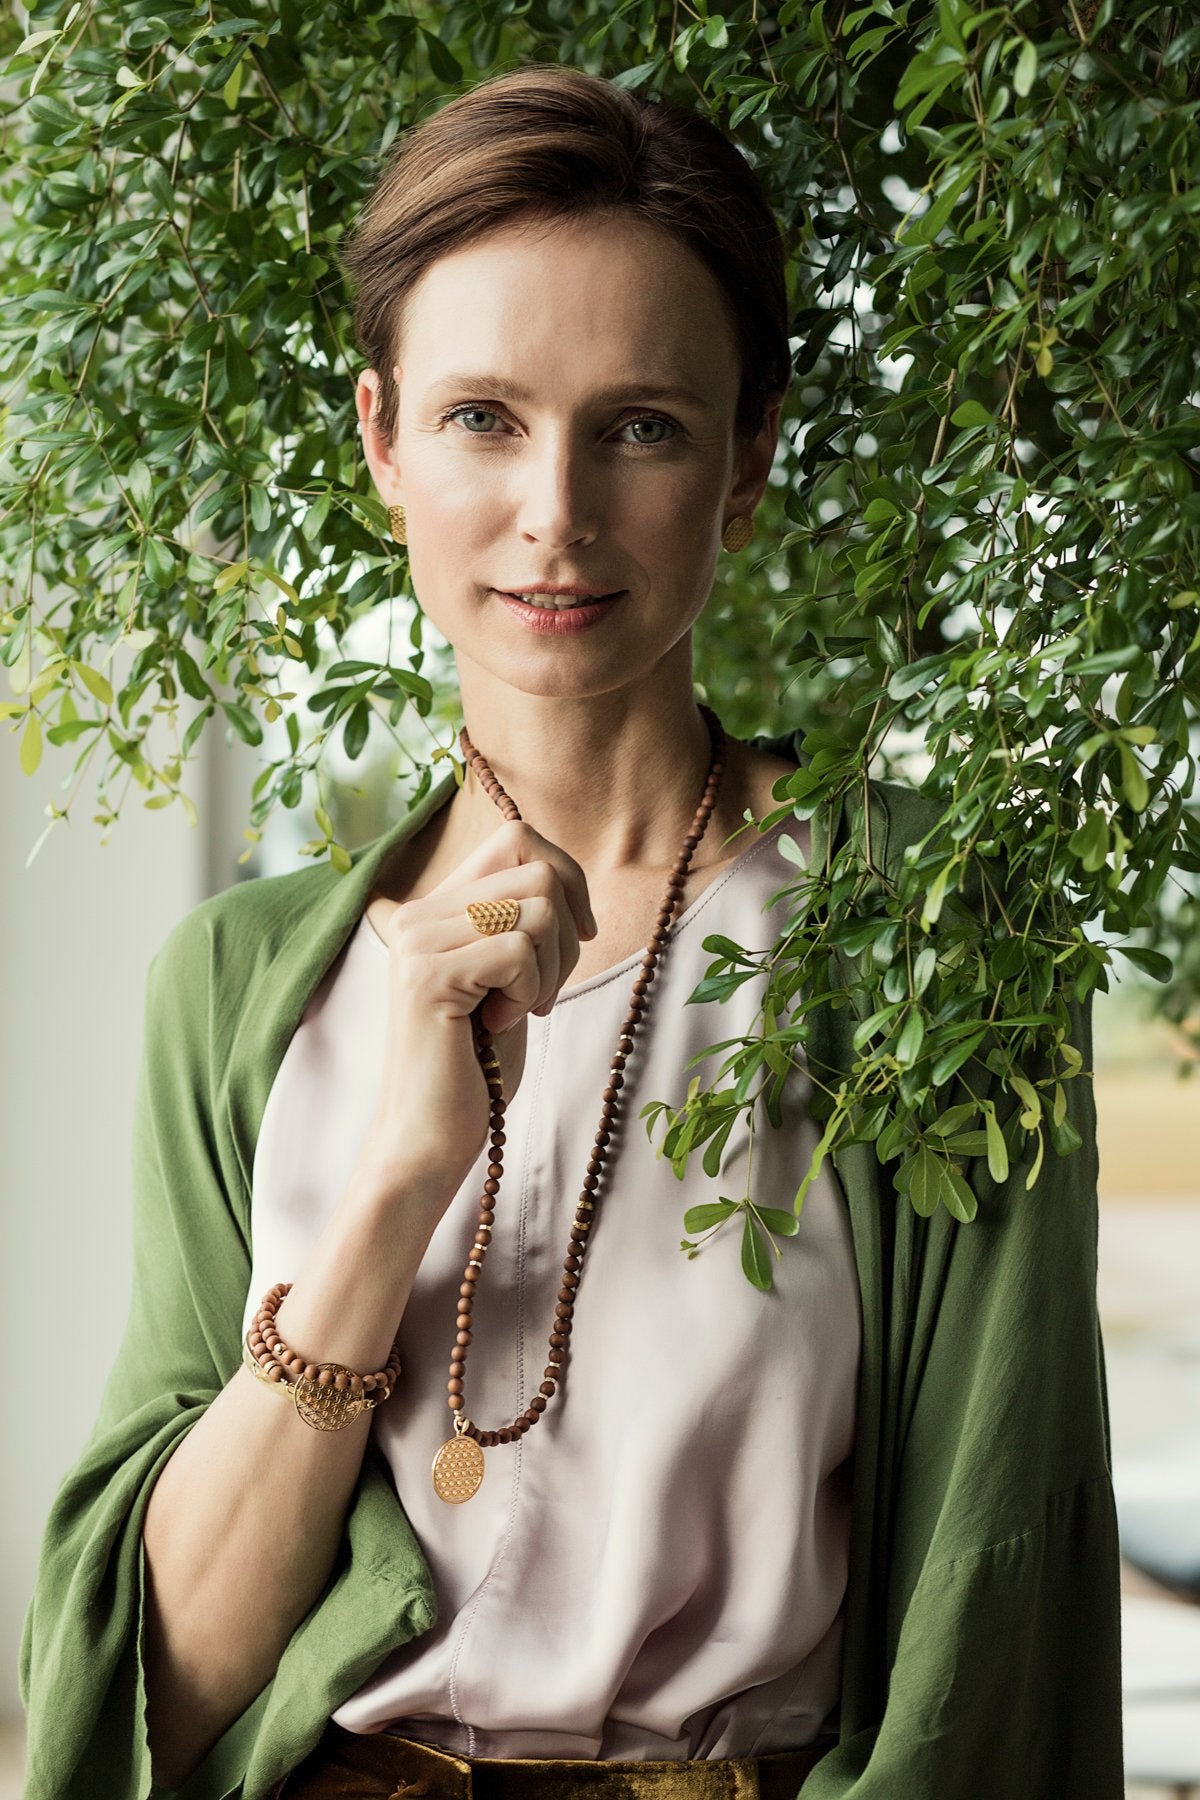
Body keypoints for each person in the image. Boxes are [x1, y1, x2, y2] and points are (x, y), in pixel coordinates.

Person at [20, 64, 1123, 1800]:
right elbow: (164, 1680)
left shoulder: (928, 942)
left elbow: (988, 1613)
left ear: (746, 460)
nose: (555, 510)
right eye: (482, 418)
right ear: (382, 440)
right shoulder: (237, 988)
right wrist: (392, 1188)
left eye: (641, 425)